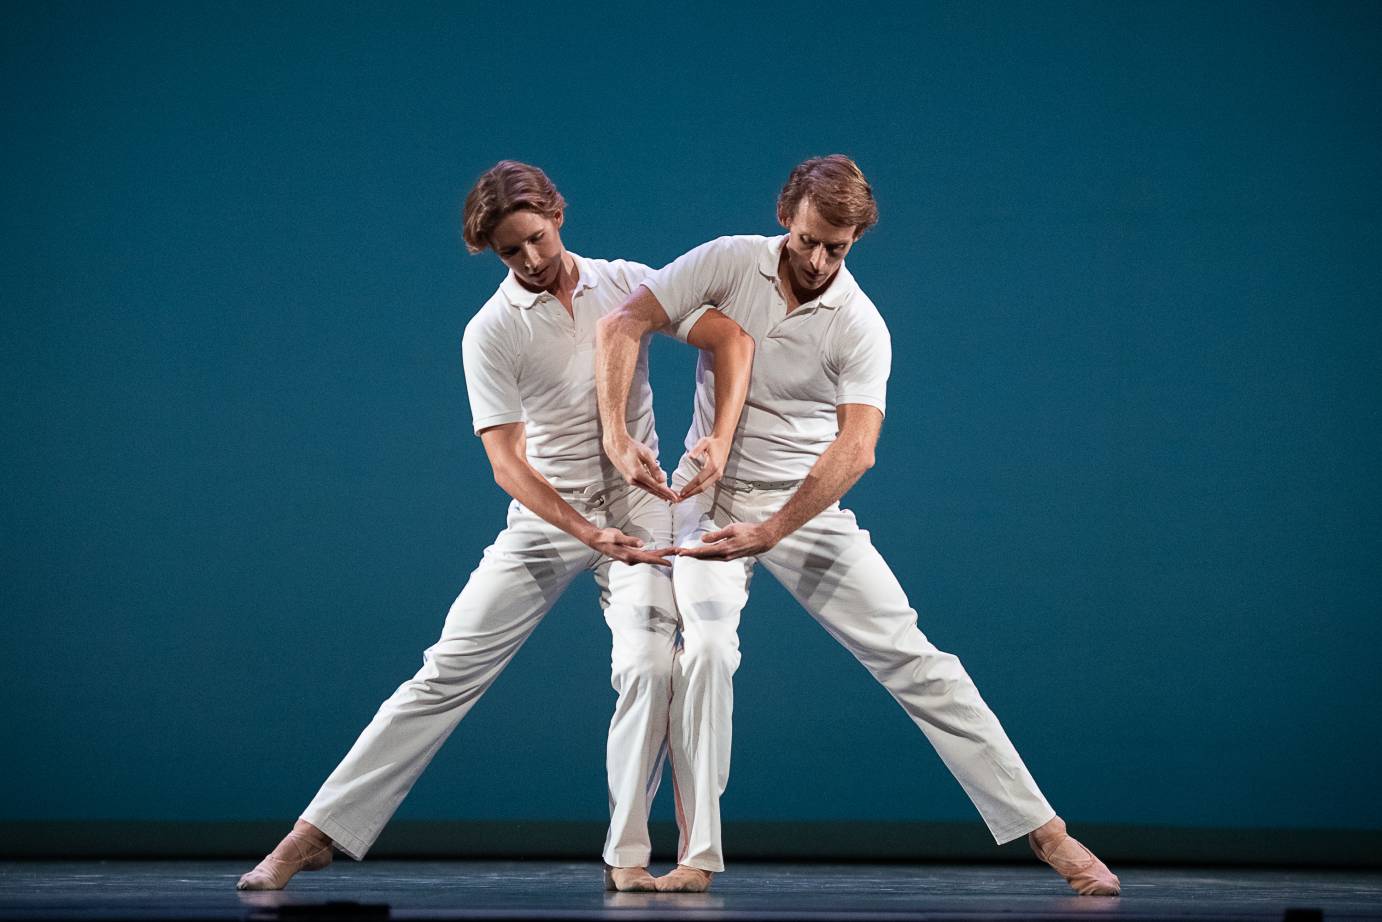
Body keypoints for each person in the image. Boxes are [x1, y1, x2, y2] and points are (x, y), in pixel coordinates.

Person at [594, 154, 1121, 897]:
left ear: (855, 242)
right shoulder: (727, 261)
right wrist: (619, 437)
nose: (817, 260)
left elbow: (857, 447)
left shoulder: (860, 324)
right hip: (709, 499)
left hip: (802, 508)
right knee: (704, 650)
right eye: (810, 240)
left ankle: (1048, 833)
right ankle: (694, 857)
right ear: (787, 217)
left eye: (836, 248)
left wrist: (775, 527)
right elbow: (625, 320)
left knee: (916, 659)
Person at [237, 160, 754, 893]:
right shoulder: (491, 332)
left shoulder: (627, 285)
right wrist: (585, 530)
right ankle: (313, 834)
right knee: (447, 669)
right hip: (549, 517)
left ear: (559, 217)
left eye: (537, 240)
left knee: (651, 667)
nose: (532, 260)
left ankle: (628, 857)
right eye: (513, 252)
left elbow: (729, 338)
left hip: (641, 510)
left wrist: (716, 441)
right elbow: (508, 465)